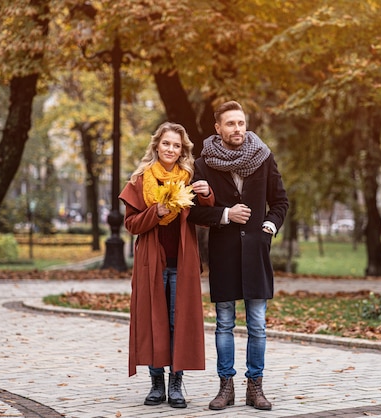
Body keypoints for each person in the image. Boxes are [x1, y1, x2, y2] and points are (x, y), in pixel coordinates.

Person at [188, 100, 288, 411]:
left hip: (256, 254)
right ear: (217, 128)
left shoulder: (263, 158)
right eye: (230, 124)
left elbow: (281, 202)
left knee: (257, 324)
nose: (237, 129)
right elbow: (191, 212)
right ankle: (226, 387)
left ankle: (255, 388)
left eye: (241, 123)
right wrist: (226, 214)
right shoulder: (203, 165)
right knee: (224, 324)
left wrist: (267, 228)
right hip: (224, 254)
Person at [119, 121, 214, 409]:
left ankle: (176, 385)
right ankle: (156, 384)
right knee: (154, 321)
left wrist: (207, 192)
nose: (171, 149)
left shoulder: (188, 178)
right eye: (166, 144)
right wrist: (155, 212)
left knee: (178, 321)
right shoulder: (140, 180)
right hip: (152, 263)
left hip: (182, 262)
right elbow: (131, 224)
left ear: (181, 149)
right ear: (156, 146)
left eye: (176, 145)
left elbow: (207, 211)